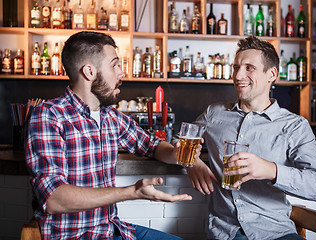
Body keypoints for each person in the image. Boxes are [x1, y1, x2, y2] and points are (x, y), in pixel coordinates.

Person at [25, 31, 193, 240]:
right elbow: (54, 199)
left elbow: (152, 145)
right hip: (77, 236)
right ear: (89, 72)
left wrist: (177, 153)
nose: (121, 73)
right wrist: (131, 192)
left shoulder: (111, 116)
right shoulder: (50, 116)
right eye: (114, 65)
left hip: (113, 229)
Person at [184, 36, 316, 240]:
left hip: (277, 233)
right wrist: (193, 162)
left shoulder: (294, 125)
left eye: (249, 68)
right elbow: (181, 138)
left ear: (271, 74)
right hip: (226, 233)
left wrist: (270, 170)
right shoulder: (214, 114)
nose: (238, 75)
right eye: (236, 67)